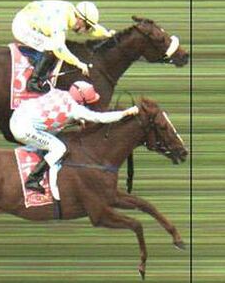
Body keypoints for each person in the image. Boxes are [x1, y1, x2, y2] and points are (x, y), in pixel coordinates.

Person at [10, 81, 138, 200]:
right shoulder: (75, 110)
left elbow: (56, 114)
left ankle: (35, 155)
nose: (88, 104)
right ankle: (33, 179)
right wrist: (125, 113)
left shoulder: (59, 92)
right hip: (23, 129)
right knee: (59, 148)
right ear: (81, 99)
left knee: (56, 132)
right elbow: (100, 118)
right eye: (87, 101)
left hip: (18, 116)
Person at [12, 0, 115, 93]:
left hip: (32, 19)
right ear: (79, 19)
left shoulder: (72, 13)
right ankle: (33, 82)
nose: (85, 30)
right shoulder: (59, 21)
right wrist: (78, 63)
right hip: (23, 27)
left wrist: (106, 33)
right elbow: (59, 49)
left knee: (52, 44)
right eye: (86, 26)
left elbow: (93, 29)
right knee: (51, 46)